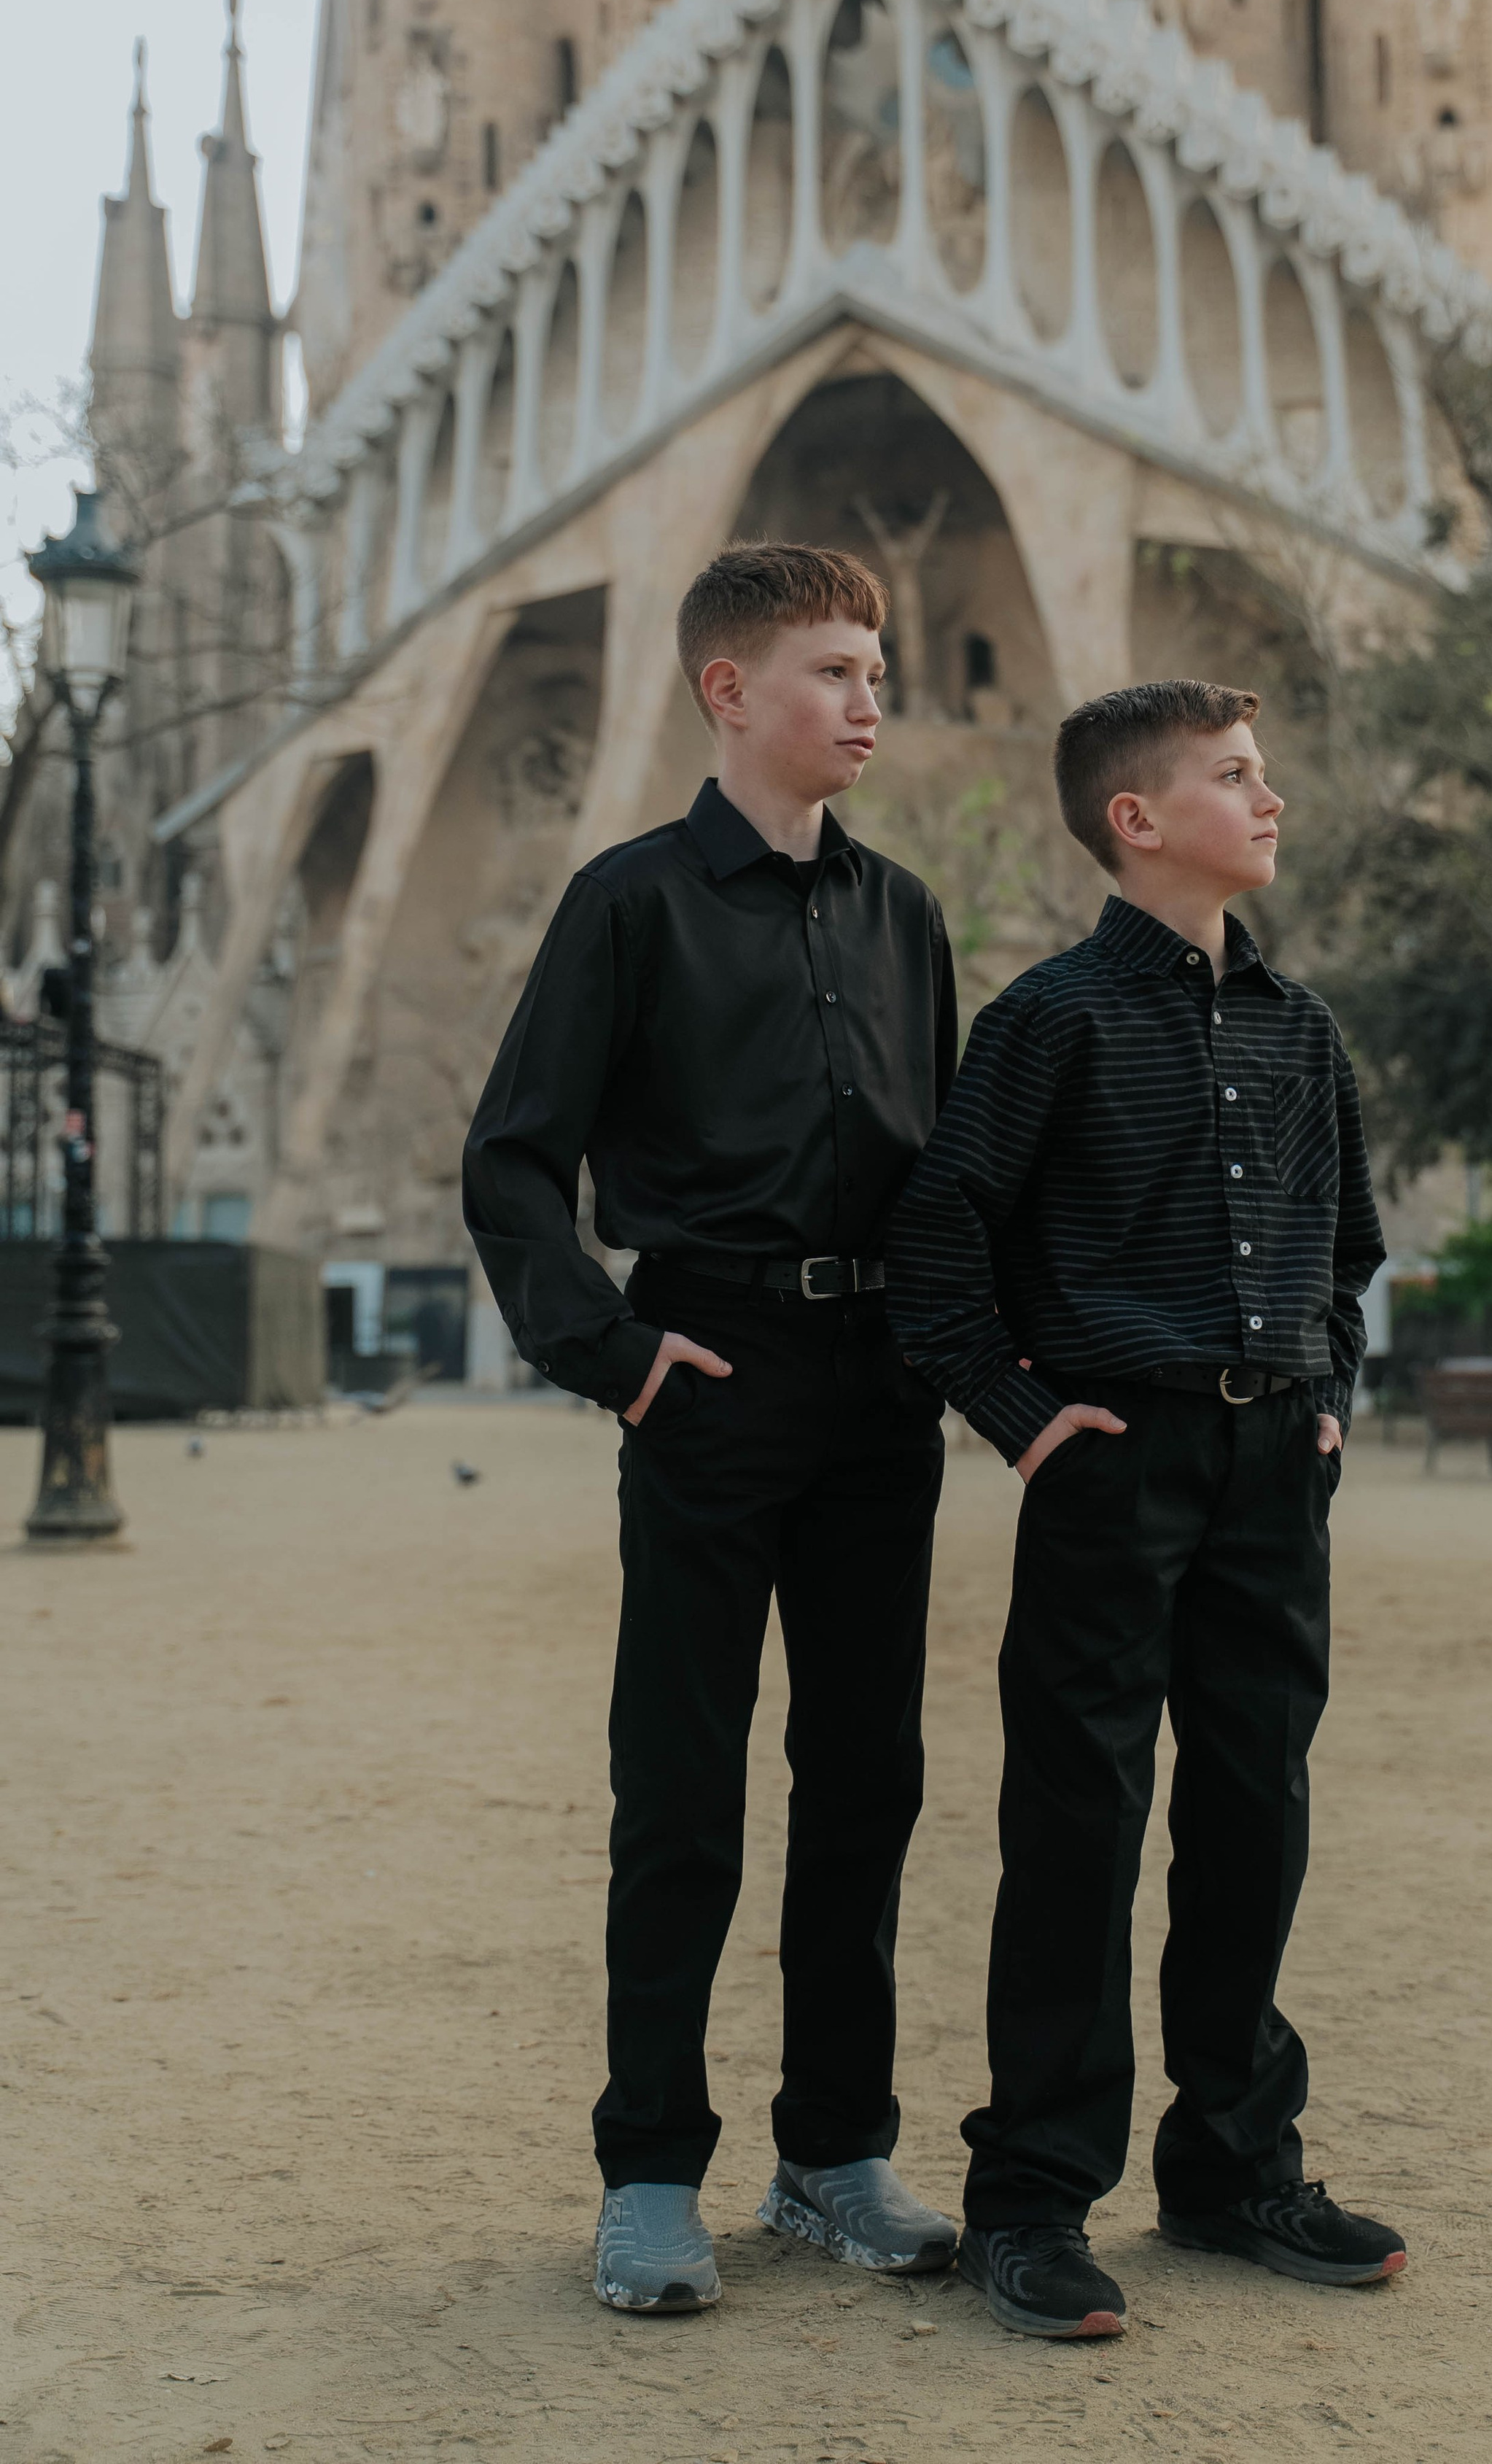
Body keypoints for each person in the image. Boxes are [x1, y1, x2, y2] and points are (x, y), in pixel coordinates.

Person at [464, 544, 960, 2317]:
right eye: (831, 668)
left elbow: (947, 1179)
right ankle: (649, 2175)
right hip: (709, 1371)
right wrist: (615, 1353)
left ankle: (831, 2156)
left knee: (867, 1783)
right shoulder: (626, 902)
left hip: (877, 1390)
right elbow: (513, 1157)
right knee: (677, 1789)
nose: (867, 697)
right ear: (728, 691)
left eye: (873, 666)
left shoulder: (905, 914)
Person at [886, 678, 1405, 2342]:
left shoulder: (1302, 1029)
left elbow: (1347, 1252)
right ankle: (1031, 2200)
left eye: (1264, 776)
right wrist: (1029, 1426)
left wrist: (1326, 1392)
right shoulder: (1047, 1020)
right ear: (1134, 817)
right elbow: (939, 1242)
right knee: (1077, 1829)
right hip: (1113, 1471)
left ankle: (1233, 2168)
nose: (1269, 804)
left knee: (1254, 1815)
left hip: (1271, 1479)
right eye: (1235, 779)